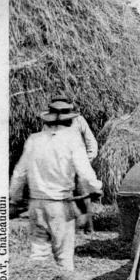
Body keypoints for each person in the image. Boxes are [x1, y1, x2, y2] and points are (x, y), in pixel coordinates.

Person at [10, 103, 103, 271]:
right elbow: (84, 171)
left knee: (38, 253)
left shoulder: (34, 140)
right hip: (60, 204)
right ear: (69, 120)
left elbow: (19, 174)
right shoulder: (72, 140)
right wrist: (95, 187)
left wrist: (14, 200)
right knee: (64, 255)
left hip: (36, 204)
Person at [42, 93, 99, 232]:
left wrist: (86, 160)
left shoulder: (79, 121)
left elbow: (91, 143)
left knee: (83, 197)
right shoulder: (48, 123)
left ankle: (88, 228)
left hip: (78, 164)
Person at [42, 93, 98, 161]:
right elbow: (43, 148)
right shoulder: (47, 125)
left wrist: (87, 161)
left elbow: (91, 143)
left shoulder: (78, 120)